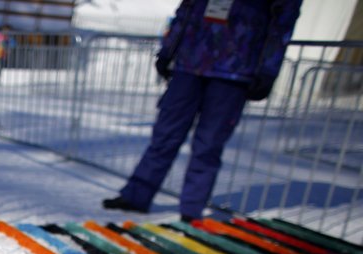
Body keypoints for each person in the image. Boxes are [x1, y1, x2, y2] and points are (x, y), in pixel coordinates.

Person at [102, 0, 302, 221]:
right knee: (164, 135)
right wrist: (169, 50)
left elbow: (283, 22)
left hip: (235, 68)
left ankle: (191, 209)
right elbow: (187, 8)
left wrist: (267, 69)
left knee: (209, 144)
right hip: (190, 60)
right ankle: (136, 196)